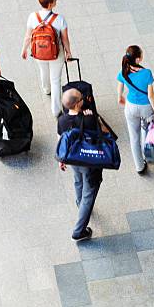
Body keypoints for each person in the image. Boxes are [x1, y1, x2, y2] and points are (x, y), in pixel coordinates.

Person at [58, 89, 106, 242]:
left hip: (72, 159)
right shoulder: (88, 119)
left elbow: (60, 139)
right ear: (78, 104)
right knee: (89, 192)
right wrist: (91, 116)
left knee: (78, 180)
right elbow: (101, 132)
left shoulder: (62, 120)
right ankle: (78, 231)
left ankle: (80, 204)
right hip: (88, 160)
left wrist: (61, 159)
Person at [21, 0, 72, 117]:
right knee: (56, 80)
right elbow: (65, 38)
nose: (56, 0)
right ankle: (56, 110)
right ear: (50, 4)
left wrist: (24, 49)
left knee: (43, 71)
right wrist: (68, 52)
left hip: (38, 52)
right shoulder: (59, 19)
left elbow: (28, 36)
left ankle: (46, 89)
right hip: (56, 54)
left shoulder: (33, 16)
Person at [116, 46, 154, 175]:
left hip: (130, 107)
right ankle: (147, 156)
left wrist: (123, 100)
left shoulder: (124, 70)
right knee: (146, 130)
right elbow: (151, 96)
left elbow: (119, 96)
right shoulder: (146, 73)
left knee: (134, 137)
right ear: (138, 59)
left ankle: (139, 167)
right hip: (146, 108)